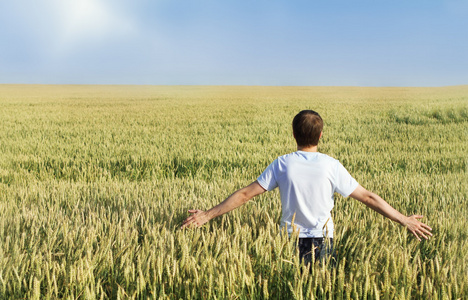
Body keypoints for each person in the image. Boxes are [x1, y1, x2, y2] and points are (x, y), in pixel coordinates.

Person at [181, 110, 432, 264]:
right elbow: (368, 197)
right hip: (324, 240)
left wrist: (207, 215)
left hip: (288, 240)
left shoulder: (282, 164)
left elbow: (246, 194)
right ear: (321, 135)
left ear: (293, 134)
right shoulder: (331, 166)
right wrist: (404, 220)